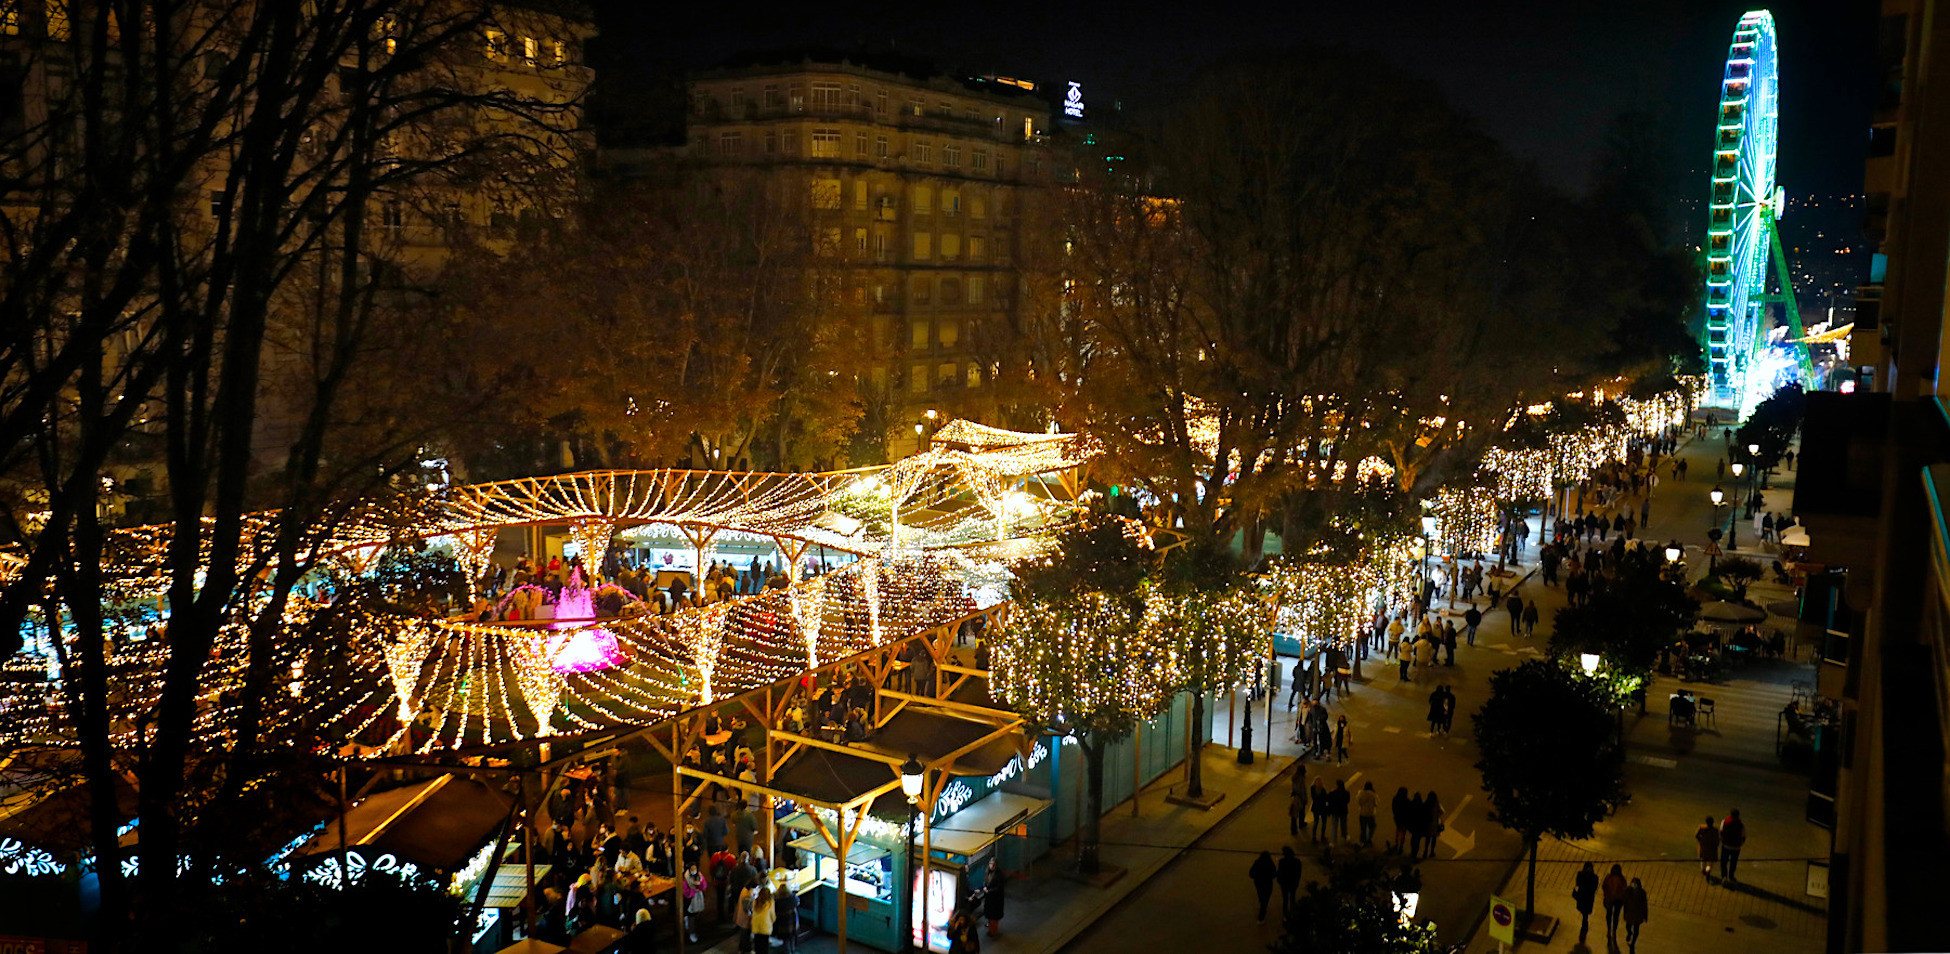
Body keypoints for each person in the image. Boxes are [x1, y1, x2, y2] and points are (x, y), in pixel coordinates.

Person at [1573, 861, 1600, 943]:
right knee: (1584, 911)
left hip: (1586, 898)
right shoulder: (1588, 876)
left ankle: (1584, 924)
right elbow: (1578, 883)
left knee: (1585, 913)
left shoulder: (1592, 877)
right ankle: (1585, 924)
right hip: (1585, 897)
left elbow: (1594, 887)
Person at [1249, 850, 1277, 923]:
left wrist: (1257, 877)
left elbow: (1251, 873)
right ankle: (1262, 914)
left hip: (1259, 883)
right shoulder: (1270, 863)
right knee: (1266, 898)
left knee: (1261, 896)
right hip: (1268, 883)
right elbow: (1274, 874)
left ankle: (1262, 909)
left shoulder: (1257, 862)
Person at [1601, 863, 1629, 937]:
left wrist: (1606, 893)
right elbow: (1624, 889)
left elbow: (1604, 886)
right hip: (1617, 900)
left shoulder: (1609, 877)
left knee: (1610, 915)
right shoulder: (1622, 879)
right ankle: (1613, 930)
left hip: (1611, 899)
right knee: (1614, 916)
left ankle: (1610, 929)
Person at [1623, 877, 1649, 952]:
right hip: (1630, 913)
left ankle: (1633, 943)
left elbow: (1644, 905)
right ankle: (1629, 933)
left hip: (1638, 914)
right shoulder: (1628, 890)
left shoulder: (1642, 893)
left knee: (1636, 930)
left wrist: (1645, 915)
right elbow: (1625, 901)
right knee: (1628, 926)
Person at [982, 858, 1007, 936]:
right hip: (989, 898)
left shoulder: (999, 875)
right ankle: (991, 928)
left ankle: (993, 931)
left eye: (993, 864)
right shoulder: (988, 872)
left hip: (995, 899)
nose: (991, 866)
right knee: (990, 915)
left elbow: (999, 888)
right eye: (990, 864)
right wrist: (985, 887)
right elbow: (985, 881)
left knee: (994, 916)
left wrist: (989, 891)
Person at [1720, 808, 1746, 882]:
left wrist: (1723, 841)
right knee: (1733, 863)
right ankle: (1731, 876)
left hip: (1726, 846)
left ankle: (1724, 876)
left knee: (1724, 862)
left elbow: (1721, 832)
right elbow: (1743, 836)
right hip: (1736, 847)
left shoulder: (1725, 821)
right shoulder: (1741, 825)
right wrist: (1740, 844)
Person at [1275, 846, 1304, 913]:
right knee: (1292, 896)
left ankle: (1285, 912)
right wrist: (1297, 881)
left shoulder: (1282, 861)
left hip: (1285, 883)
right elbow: (1298, 873)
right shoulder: (1297, 861)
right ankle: (1292, 911)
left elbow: (1280, 872)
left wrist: (1279, 880)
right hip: (1293, 882)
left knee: (1285, 898)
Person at [750, 885, 775, 954]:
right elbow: (772, 915)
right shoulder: (770, 903)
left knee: (757, 943)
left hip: (756, 924)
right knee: (764, 944)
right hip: (765, 925)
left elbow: (752, 911)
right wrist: (773, 921)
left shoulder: (755, 901)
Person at [1421, 791, 1443, 859]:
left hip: (1427, 824)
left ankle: (1425, 851)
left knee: (1428, 838)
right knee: (1434, 838)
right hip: (1434, 824)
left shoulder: (1426, 804)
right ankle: (1432, 852)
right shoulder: (1436, 804)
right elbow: (1441, 811)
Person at [1356, 781, 1378, 847]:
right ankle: (1369, 838)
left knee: (1363, 829)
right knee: (1372, 827)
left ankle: (1363, 841)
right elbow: (1376, 804)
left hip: (1362, 814)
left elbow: (1358, 801)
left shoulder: (1361, 793)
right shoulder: (1373, 794)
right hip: (1370, 814)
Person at [1390, 787, 1412, 854]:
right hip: (1404, 819)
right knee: (1403, 832)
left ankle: (1397, 843)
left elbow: (1393, 807)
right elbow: (1409, 810)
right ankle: (1401, 846)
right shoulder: (1407, 801)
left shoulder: (1395, 799)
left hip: (1397, 818)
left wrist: (1395, 814)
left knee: (1398, 830)